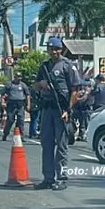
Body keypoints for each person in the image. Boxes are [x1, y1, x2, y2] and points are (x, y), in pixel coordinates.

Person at [32, 37, 80, 191]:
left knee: (61, 146)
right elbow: (34, 87)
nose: (54, 52)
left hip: (61, 111)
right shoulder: (44, 67)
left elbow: (75, 90)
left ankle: (61, 178)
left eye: (57, 49)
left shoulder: (67, 65)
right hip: (46, 110)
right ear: (47, 49)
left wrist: (68, 110)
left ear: (61, 50)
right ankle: (48, 178)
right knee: (46, 145)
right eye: (51, 49)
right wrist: (41, 84)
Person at [1, 72, 31, 141]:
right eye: (18, 77)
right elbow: (3, 94)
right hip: (11, 104)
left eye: (20, 77)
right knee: (10, 120)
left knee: (20, 120)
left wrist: (28, 105)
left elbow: (27, 95)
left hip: (20, 105)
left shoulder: (23, 85)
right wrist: (3, 102)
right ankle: (5, 134)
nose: (19, 78)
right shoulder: (9, 85)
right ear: (15, 77)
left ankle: (21, 136)